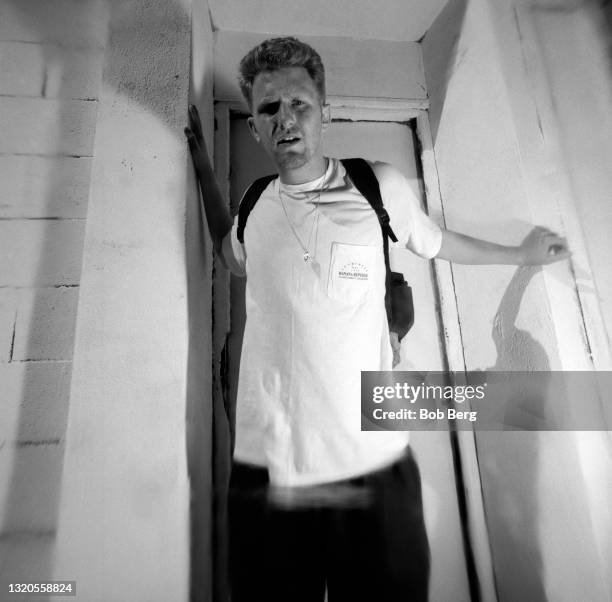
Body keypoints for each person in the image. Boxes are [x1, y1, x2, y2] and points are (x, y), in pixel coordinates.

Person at [185, 36, 569, 602]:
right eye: (268, 109)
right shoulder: (255, 203)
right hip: (267, 474)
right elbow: (226, 252)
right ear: (255, 128)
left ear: (324, 112)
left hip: (371, 470)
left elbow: (440, 243)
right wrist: (199, 166)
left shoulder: (374, 185)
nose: (285, 121)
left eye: (299, 104)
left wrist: (523, 257)